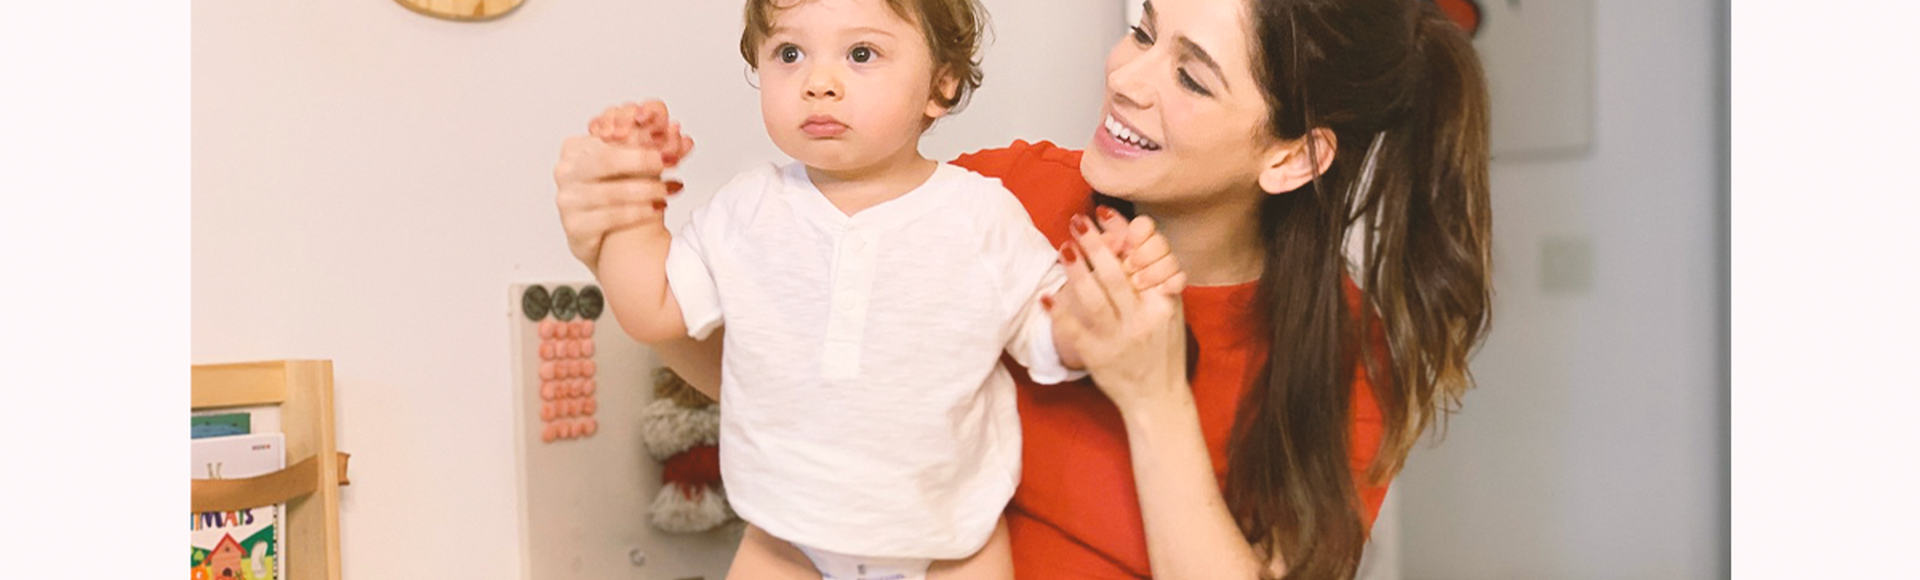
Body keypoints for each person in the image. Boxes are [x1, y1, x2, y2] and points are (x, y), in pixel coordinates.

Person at [552, 0, 1493, 577]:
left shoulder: (1346, 362)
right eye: (1142, 32)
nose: (1127, 81)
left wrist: (1153, 395)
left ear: (1293, 154)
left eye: (1191, 77)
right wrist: (615, 244)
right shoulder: (1001, 197)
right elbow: (810, 386)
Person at [576, 0, 1181, 579]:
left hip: (954, 545)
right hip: (785, 541)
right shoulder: (745, 211)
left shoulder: (981, 215)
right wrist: (630, 206)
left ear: (941, 86)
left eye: (861, 54)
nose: (819, 82)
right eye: (789, 54)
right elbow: (652, 310)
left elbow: (1053, 339)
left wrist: (1106, 290)